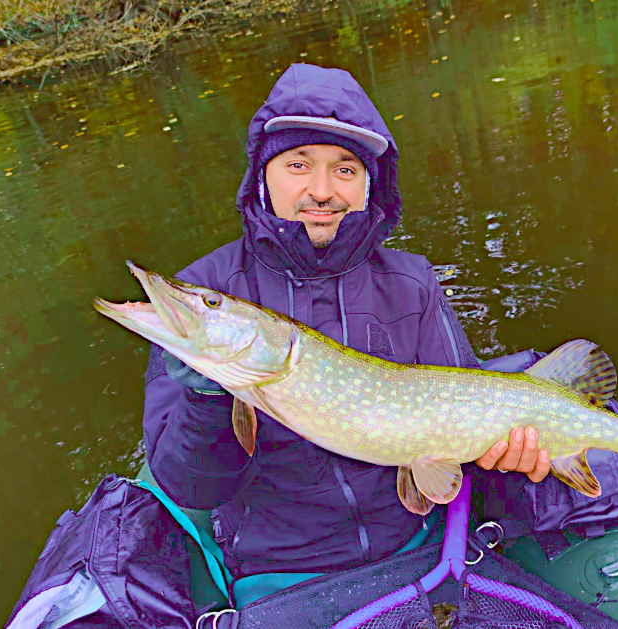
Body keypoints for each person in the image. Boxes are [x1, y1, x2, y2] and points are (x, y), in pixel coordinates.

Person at [142, 64, 560, 581]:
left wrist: (508, 452)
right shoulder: (210, 285)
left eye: (345, 169)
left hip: (419, 542)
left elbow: (462, 413)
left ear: (367, 184)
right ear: (262, 177)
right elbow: (190, 488)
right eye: (298, 164)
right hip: (284, 569)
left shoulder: (412, 280)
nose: (322, 190)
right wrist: (206, 400)